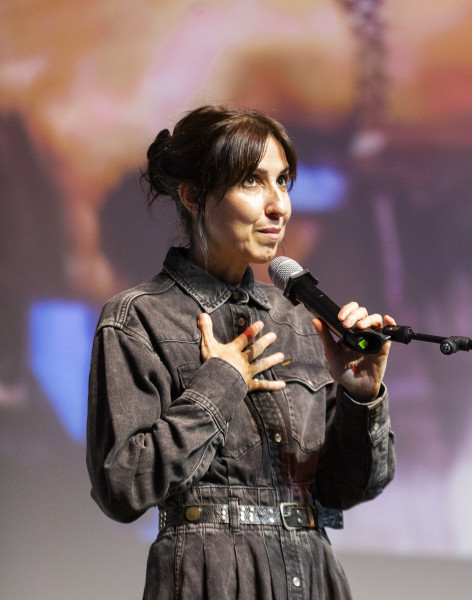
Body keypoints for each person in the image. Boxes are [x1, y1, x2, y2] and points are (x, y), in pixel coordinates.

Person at [86, 105, 396, 600]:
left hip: (312, 577)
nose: (280, 206)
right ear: (193, 196)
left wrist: (361, 398)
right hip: (209, 579)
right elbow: (122, 488)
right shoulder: (138, 318)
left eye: (283, 182)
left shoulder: (298, 319)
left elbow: (348, 488)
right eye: (253, 181)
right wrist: (221, 383)